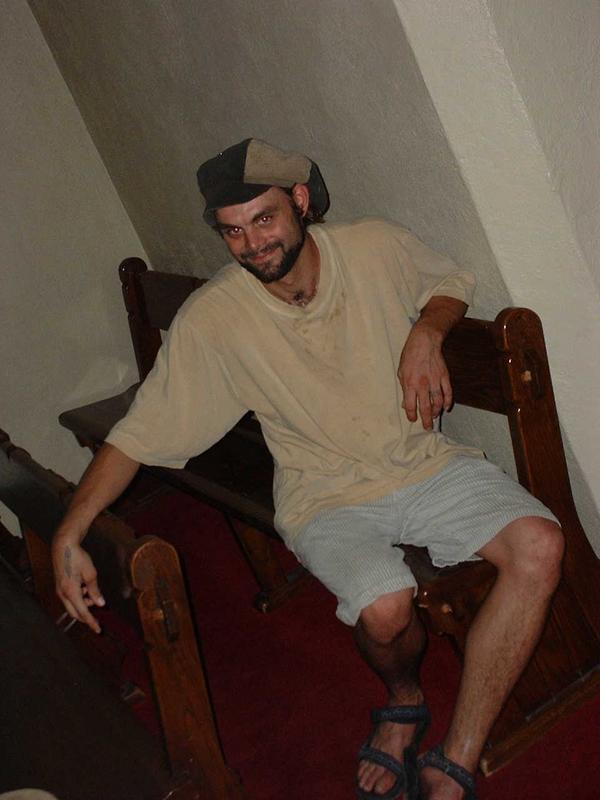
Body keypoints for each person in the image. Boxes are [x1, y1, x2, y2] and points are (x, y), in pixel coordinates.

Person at [52, 138, 563, 800]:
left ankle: (460, 753)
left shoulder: (372, 246)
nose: (251, 244)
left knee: (540, 546)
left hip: (423, 464)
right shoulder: (216, 319)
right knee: (384, 608)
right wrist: (72, 529)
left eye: (264, 218)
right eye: (232, 231)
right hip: (323, 495)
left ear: (300, 201)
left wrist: (427, 333)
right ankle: (404, 700)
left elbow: (449, 281)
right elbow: (139, 432)